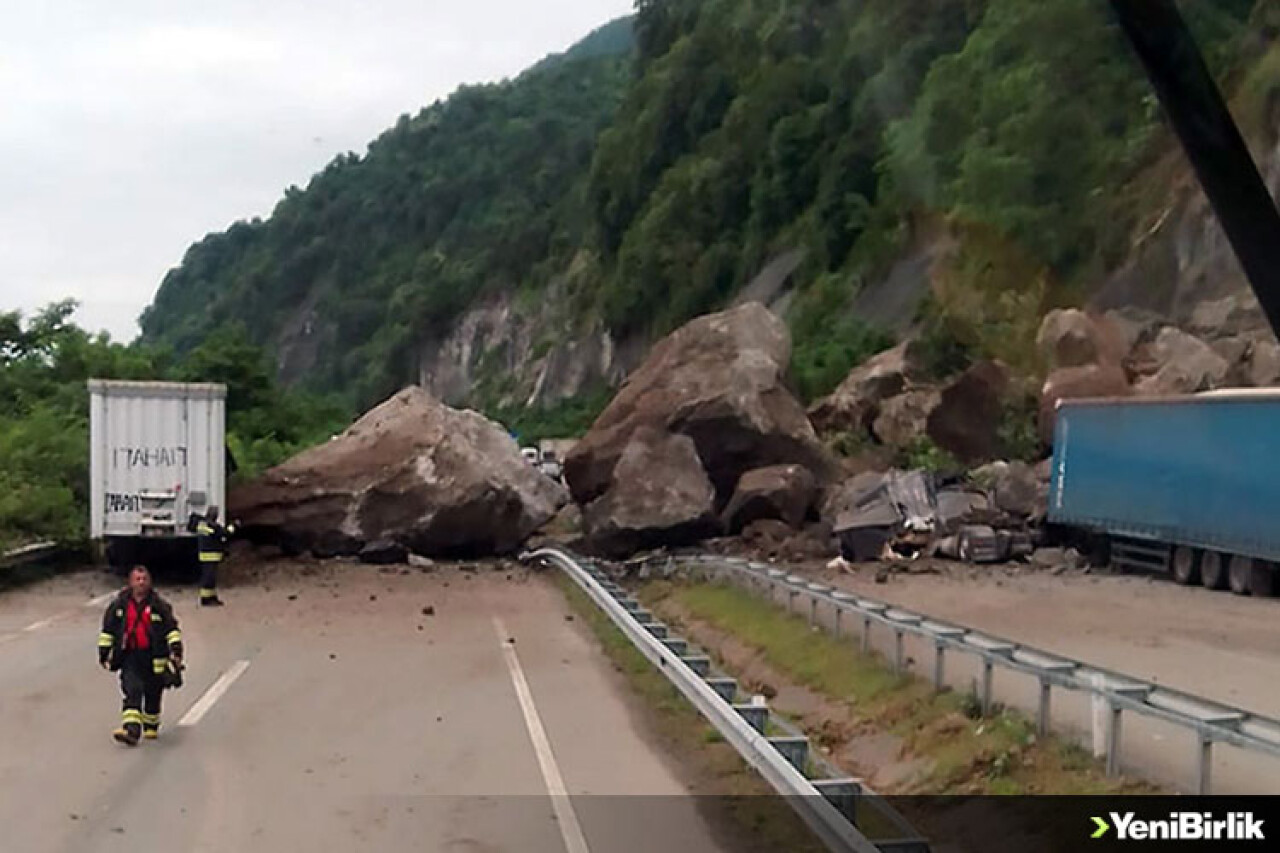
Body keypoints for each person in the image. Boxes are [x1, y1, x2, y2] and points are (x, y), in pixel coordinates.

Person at [98, 566, 183, 745]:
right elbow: (108, 631)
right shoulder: (118, 605)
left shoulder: (160, 606)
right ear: (130, 582)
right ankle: (132, 730)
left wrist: (176, 652)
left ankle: (151, 725)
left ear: (149, 582)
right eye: (137, 579)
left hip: (155, 658)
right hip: (130, 656)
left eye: (144, 579)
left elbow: (172, 630)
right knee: (132, 689)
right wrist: (104, 654)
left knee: (153, 693)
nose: (141, 582)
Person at [196, 506, 236, 607]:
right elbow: (225, 534)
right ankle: (206, 599)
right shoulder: (213, 526)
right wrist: (233, 526)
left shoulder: (202, 524)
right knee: (209, 578)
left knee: (210, 578)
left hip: (204, 554)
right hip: (211, 555)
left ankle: (212, 597)